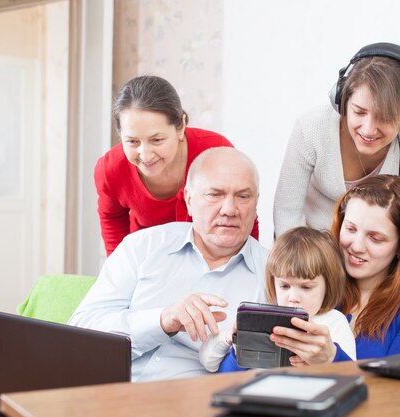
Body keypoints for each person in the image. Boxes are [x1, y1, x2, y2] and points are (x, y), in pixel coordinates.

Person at [273, 42, 400, 289]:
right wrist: (304, 287)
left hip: (381, 267)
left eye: (384, 118)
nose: (367, 129)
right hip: (317, 267)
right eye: (359, 112)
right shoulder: (311, 127)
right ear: (342, 99)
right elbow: (286, 215)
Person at [69, 147, 268, 382]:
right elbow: (80, 334)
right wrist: (162, 320)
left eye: (243, 196)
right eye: (214, 194)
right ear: (189, 200)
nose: (229, 210)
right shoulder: (142, 247)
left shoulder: (275, 276)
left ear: (256, 203)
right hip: (108, 392)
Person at [270, 175, 400, 364]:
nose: (357, 246)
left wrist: (331, 359)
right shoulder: (314, 290)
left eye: (375, 238)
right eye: (351, 229)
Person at [96, 75, 258, 256]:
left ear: (181, 127)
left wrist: (251, 268)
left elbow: (243, 211)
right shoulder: (111, 169)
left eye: (157, 140)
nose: (146, 155)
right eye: (132, 141)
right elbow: (112, 219)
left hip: (210, 257)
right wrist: (119, 269)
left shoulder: (215, 152)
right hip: (148, 257)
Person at [199, 227, 356, 372]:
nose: (293, 298)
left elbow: (352, 375)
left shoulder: (334, 323)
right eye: (285, 286)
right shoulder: (261, 319)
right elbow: (212, 366)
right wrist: (232, 345)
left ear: (328, 286)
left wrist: (330, 357)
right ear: (274, 284)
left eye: (306, 287)